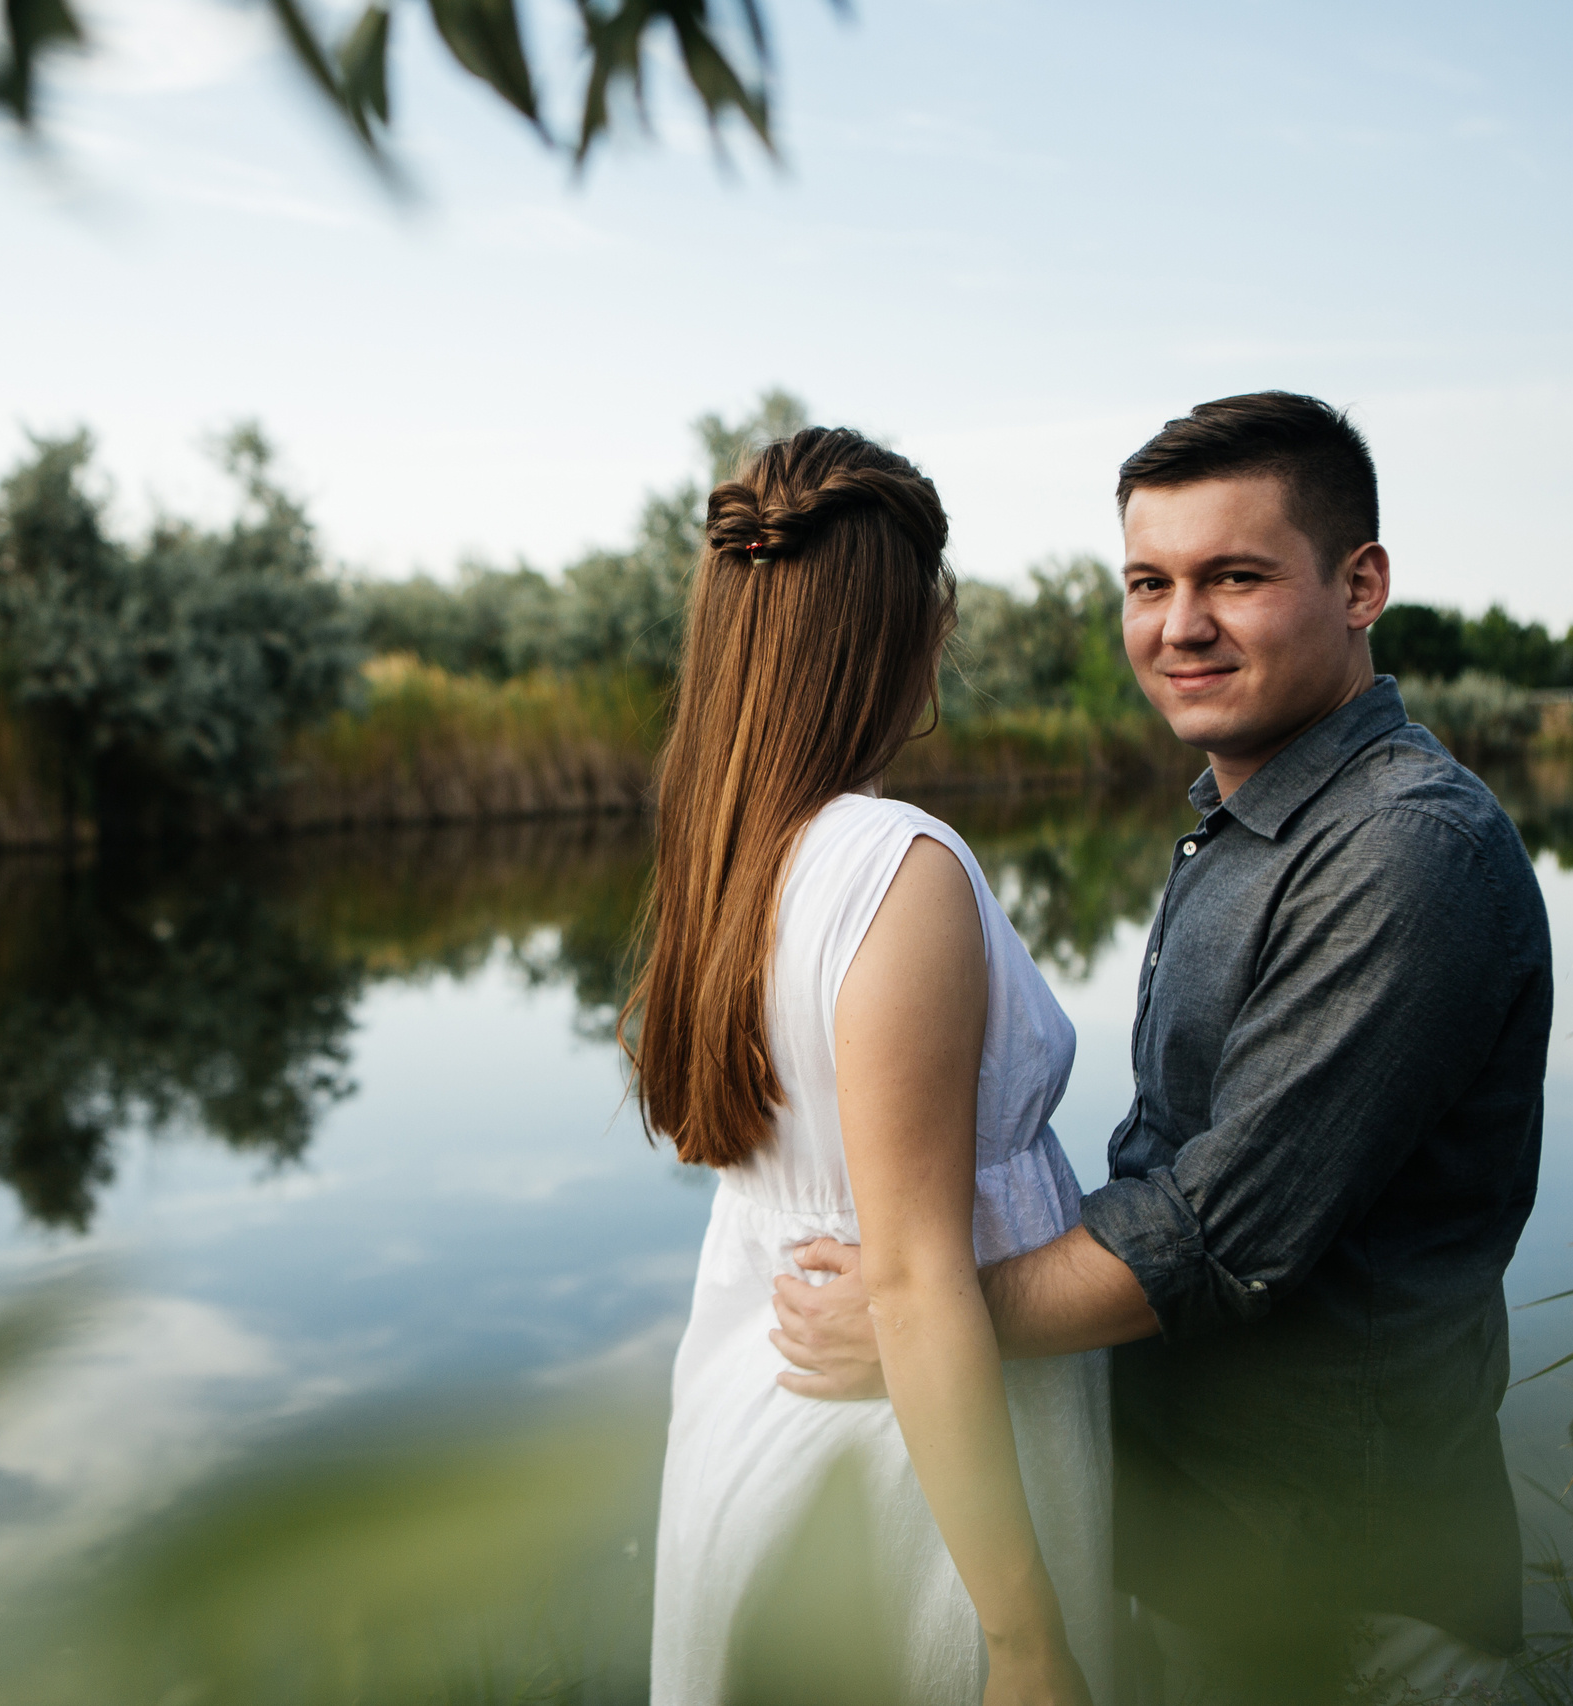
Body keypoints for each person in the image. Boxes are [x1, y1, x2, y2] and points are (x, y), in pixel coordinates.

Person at [768, 393, 1552, 1702]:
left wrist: (918, 1320)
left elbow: (1219, 1229)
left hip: (1348, 1587)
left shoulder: (1406, 850)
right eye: (1149, 580)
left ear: (1361, 585)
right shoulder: (1251, 819)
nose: (1179, 624)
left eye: (1233, 577)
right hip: (1213, 1554)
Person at [635, 427, 1111, 1705]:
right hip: (905, 1468)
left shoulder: (733, 850)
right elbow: (909, 1277)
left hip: (753, 1405)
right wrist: (1021, 1636)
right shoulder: (900, 868)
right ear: (913, 628)